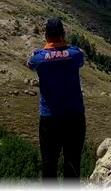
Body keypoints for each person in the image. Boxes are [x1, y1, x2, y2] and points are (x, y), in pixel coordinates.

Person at [27, 17, 86, 182]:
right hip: (74, 116)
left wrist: (41, 50)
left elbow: (29, 64)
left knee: (49, 164)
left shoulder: (39, 58)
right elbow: (80, 56)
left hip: (50, 117)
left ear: (46, 35)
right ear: (63, 34)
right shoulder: (74, 55)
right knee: (73, 162)